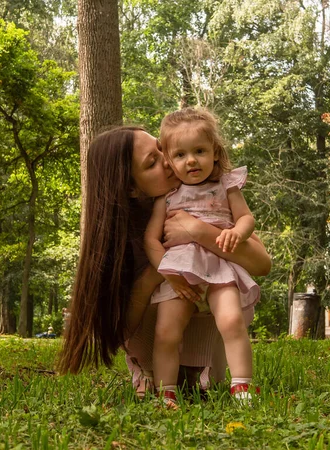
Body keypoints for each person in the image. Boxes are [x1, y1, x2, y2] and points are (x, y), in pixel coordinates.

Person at [56, 125, 271, 401]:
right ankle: (154, 378)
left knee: (223, 297)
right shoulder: (125, 238)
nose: (168, 161)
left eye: (161, 148)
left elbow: (261, 263)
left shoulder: (207, 193)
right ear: (131, 188)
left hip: (207, 344)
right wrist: (162, 272)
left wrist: (197, 230)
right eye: (152, 162)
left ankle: (207, 373)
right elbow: (120, 328)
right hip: (158, 343)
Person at [145, 107, 260, 407]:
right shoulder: (168, 195)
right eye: (180, 155)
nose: (191, 160)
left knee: (232, 321)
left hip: (220, 265)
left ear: (215, 153)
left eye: (199, 151)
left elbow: (247, 218)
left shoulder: (227, 185)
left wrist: (240, 232)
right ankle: (166, 391)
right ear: (169, 161)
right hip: (181, 271)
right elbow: (151, 239)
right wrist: (167, 273)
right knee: (167, 331)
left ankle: (243, 387)